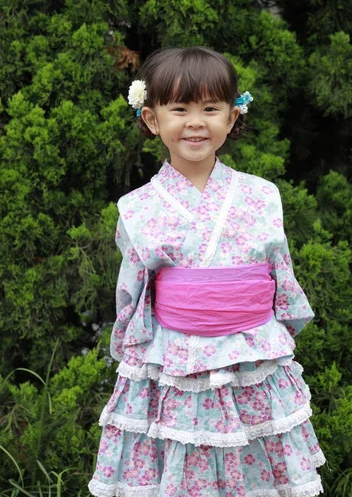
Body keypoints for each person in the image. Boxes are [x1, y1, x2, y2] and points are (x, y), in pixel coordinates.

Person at [88, 46, 325, 497]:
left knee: (254, 466)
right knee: (183, 463)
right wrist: (138, 358)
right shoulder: (137, 208)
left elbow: (282, 278)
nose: (196, 122)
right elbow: (132, 296)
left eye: (211, 108)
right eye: (179, 109)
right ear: (152, 118)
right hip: (177, 360)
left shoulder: (262, 196)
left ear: (232, 117)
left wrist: (272, 338)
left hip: (250, 355)